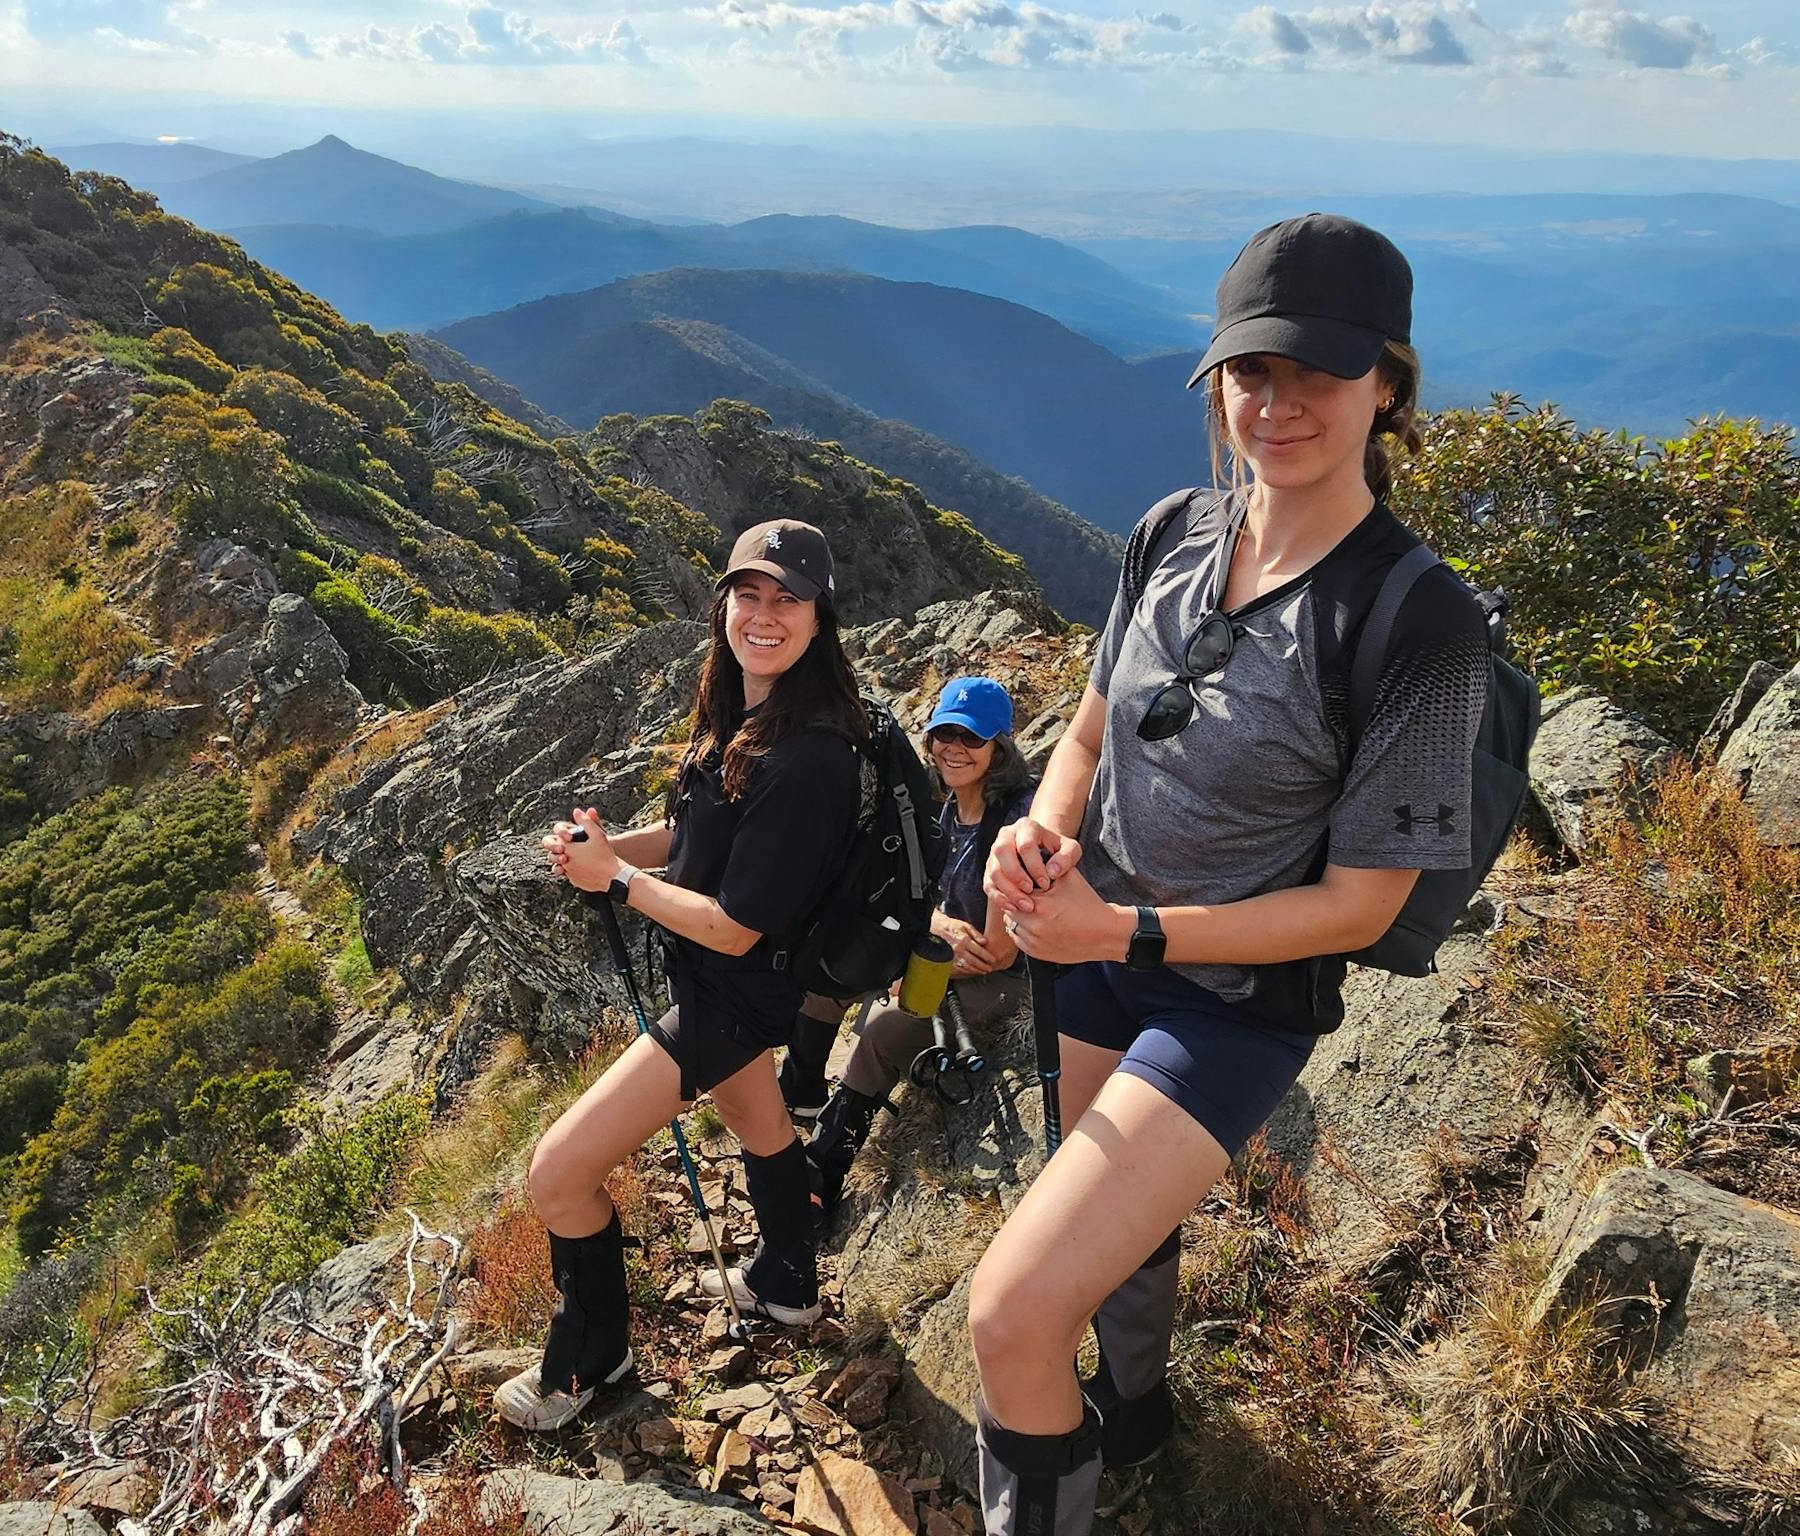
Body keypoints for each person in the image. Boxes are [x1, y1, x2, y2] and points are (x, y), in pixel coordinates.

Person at [967, 214, 1490, 1533]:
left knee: (1011, 1310)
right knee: (1116, 1233)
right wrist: (1043, 831)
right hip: (1093, 945)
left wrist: (1119, 932)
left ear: (1391, 382)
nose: (1280, 401)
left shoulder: (1419, 620)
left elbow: (1361, 904)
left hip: (1230, 1001)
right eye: (1251, 370)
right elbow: (1089, 724)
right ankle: (1136, 1413)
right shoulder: (1169, 531)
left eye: (1320, 370)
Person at [495, 518, 866, 1432]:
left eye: (788, 599)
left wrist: (616, 883)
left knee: (557, 1172)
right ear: (723, 604)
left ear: (821, 619)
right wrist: (611, 847)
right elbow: (697, 839)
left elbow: (738, 928)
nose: (765, 614)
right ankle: (786, 1282)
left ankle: (592, 1362)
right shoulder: (742, 709)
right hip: (718, 982)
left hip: (732, 990)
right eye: (749, 593)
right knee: (757, 1115)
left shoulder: (811, 757)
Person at [804, 675, 1037, 1225]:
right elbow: (919, 897)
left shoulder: (1017, 820)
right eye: (942, 735)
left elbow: (998, 953)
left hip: (1016, 973)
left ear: (999, 747)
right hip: (951, 955)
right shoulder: (942, 809)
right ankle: (801, 1090)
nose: (953, 749)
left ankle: (824, 1166)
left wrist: (913, 965)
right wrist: (938, 925)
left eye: (971, 739)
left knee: (884, 1028)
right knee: (830, 975)